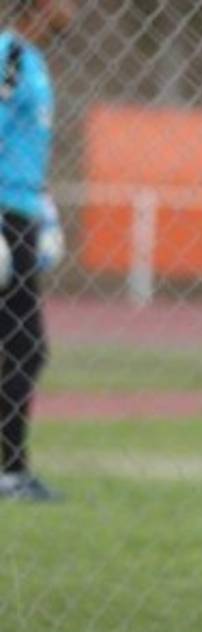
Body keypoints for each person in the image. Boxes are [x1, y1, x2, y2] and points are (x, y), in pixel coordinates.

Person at [0, 0, 72, 502]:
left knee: (21, 344)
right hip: (4, 216)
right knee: (25, 345)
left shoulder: (34, 60)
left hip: (22, 213)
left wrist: (43, 207)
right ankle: (9, 471)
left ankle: (12, 467)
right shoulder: (11, 56)